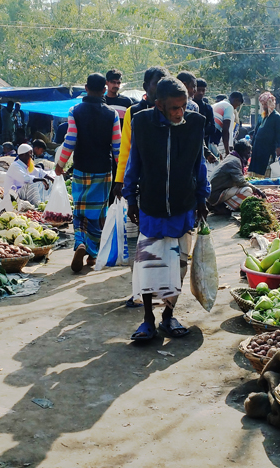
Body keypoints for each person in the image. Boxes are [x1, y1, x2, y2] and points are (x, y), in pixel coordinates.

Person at [123, 77, 208, 341]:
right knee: (149, 264)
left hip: (183, 205)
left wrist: (202, 198)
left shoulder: (196, 123)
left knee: (178, 264)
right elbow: (133, 161)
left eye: (183, 106)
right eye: (174, 108)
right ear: (158, 105)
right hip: (151, 204)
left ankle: (168, 316)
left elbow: (200, 163)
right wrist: (131, 199)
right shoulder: (141, 123)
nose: (180, 112)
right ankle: (148, 319)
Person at [54, 73, 121, 272]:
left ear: (86, 87)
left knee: (80, 210)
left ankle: (81, 243)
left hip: (81, 168)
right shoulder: (112, 114)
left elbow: (70, 140)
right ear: (104, 89)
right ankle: (92, 252)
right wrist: (123, 174)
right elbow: (117, 147)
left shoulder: (75, 111)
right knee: (99, 212)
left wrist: (60, 164)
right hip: (104, 170)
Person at [110, 66, 167, 201]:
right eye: (156, 84)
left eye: (164, 83)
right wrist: (120, 180)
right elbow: (125, 149)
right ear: (145, 86)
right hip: (143, 179)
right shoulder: (133, 112)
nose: (161, 88)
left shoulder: (174, 111)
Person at [208, 139, 263, 213]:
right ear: (241, 152)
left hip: (214, 192)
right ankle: (222, 207)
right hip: (216, 194)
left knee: (246, 189)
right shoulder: (235, 161)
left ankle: (220, 205)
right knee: (247, 190)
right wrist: (256, 190)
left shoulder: (231, 157)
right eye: (248, 153)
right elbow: (241, 182)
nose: (249, 156)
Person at [250, 91, 280, 175]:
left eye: (266, 104)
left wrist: (279, 148)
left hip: (268, 148)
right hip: (257, 147)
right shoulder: (262, 116)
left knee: (265, 170)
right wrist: (252, 145)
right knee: (255, 169)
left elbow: (278, 134)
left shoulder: (277, 117)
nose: (264, 106)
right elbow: (256, 132)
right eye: (263, 104)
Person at [213, 91, 244, 156]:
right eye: (237, 105)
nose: (236, 108)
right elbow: (226, 130)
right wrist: (228, 150)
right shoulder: (229, 107)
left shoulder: (217, 104)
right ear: (236, 100)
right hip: (215, 138)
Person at [194, 79, 216, 147]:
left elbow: (212, 128)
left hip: (203, 144)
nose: (201, 93)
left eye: (203, 90)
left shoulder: (207, 108)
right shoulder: (187, 105)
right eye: (199, 90)